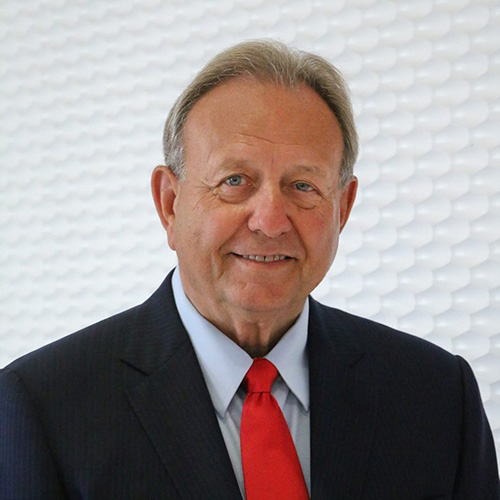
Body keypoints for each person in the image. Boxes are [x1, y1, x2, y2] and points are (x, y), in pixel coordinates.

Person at [0, 40, 498, 500]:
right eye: (234, 181)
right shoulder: (42, 408)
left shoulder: (437, 397)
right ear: (170, 203)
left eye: (303, 186)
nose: (270, 220)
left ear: (342, 209)